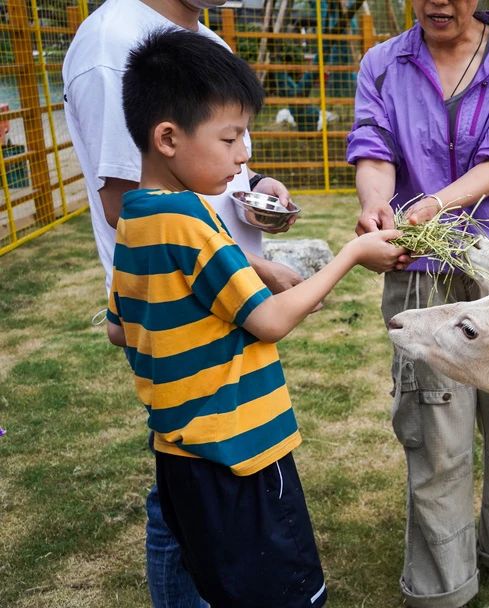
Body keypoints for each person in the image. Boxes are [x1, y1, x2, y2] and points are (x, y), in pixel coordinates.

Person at [106, 28, 408, 607]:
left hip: (178, 454)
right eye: (231, 137)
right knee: (283, 593)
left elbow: (120, 325)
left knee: (220, 585)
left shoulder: (136, 219)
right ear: (168, 138)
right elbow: (269, 322)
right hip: (239, 454)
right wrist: (351, 256)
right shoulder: (192, 221)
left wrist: (249, 277)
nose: (244, 153)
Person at [62, 0, 304, 604]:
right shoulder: (111, 43)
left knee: (195, 483)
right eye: (234, 138)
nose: (242, 148)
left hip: (221, 299)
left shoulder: (205, 40)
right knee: (195, 492)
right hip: (203, 303)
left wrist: (255, 191)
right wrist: (253, 272)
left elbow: (210, 167)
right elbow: (128, 205)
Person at [346, 1, 489, 606]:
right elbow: (374, 144)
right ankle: (443, 588)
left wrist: (430, 207)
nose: (438, 1)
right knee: (436, 433)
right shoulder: (383, 63)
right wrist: (379, 205)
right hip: (421, 269)